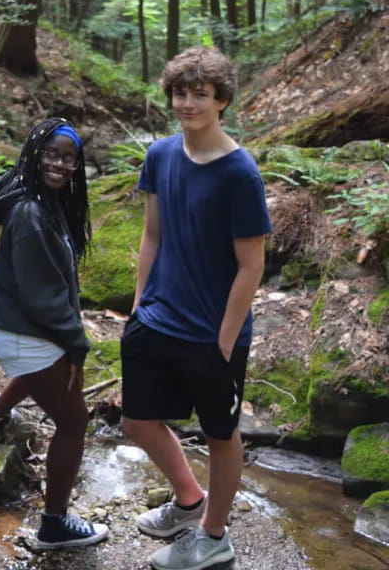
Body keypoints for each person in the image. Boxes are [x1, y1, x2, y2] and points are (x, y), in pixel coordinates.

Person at [120, 47, 271, 570]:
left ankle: (213, 535)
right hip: (157, 317)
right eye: (180, 94)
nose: (187, 104)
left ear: (222, 101)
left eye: (199, 95)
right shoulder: (160, 155)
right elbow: (152, 233)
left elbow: (252, 265)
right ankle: (190, 500)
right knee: (137, 421)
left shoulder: (239, 173)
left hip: (213, 331)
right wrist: (139, 302)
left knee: (220, 433)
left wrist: (225, 339)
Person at [0, 117, 109, 550]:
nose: (61, 164)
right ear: (34, 154)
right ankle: (54, 525)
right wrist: (77, 345)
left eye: (69, 158)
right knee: (74, 421)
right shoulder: (32, 213)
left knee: (40, 372)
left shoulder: (42, 201)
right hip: (20, 326)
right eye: (52, 154)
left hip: (13, 321)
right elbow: (43, 300)